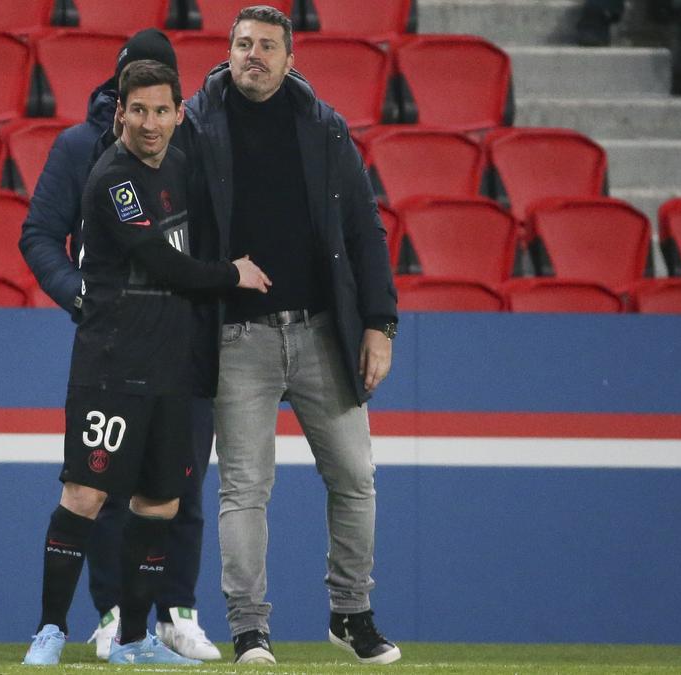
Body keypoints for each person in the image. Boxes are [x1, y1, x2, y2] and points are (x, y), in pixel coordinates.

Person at [21, 59, 270, 667]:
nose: (150, 123)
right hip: (111, 363)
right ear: (120, 113)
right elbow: (163, 263)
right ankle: (50, 630)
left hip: (173, 370)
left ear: (179, 114)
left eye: (162, 110)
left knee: (158, 504)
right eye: (139, 110)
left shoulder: (184, 166)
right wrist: (230, 275)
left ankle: (135, 639)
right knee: (84, 493)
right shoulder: (114, 178)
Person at [176, 5, 400, 666]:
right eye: (243, 44)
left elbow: (365, 230)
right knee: (244, 488)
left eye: (267, 46)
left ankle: (351, 612)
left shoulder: (325, 128)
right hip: (236, 335)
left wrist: (380, 325)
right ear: (228, 51)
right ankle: (250, 629)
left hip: (321, 333)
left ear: (289, 58)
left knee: (356, 475)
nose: (253, 55)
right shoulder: (195, 125)